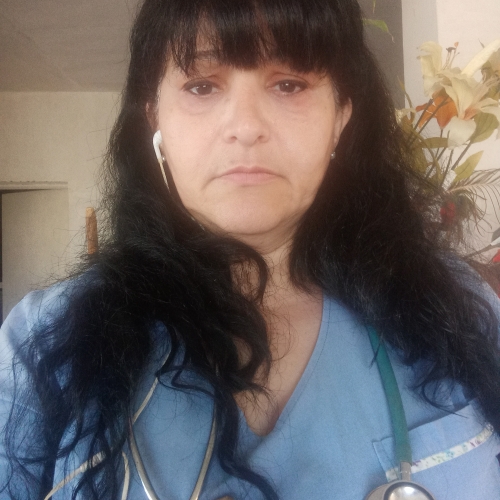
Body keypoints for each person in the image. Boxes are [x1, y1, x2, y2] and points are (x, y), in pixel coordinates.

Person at [1, 0, 500, 498]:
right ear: (156, 121)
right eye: (201, 86)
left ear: (340, 117)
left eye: (289, 84)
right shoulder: (42, 341)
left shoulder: (457, 304)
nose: (245, 126)